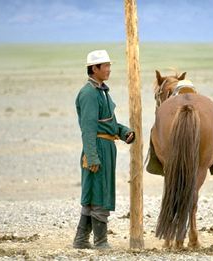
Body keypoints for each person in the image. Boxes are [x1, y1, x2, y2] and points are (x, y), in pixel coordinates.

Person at [73, 50, 135, 249]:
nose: (109, 69)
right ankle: (100, 242)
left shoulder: (101, 91)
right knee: (98, 192)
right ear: (94, 68)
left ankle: (81, 241)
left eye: (109, 65)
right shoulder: (89, 93)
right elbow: (89, 128)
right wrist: (92, 156)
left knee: (95, 193)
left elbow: (108, 124)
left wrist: (124, 132)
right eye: (105, 66)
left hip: (105, 147)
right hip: (97, 148)